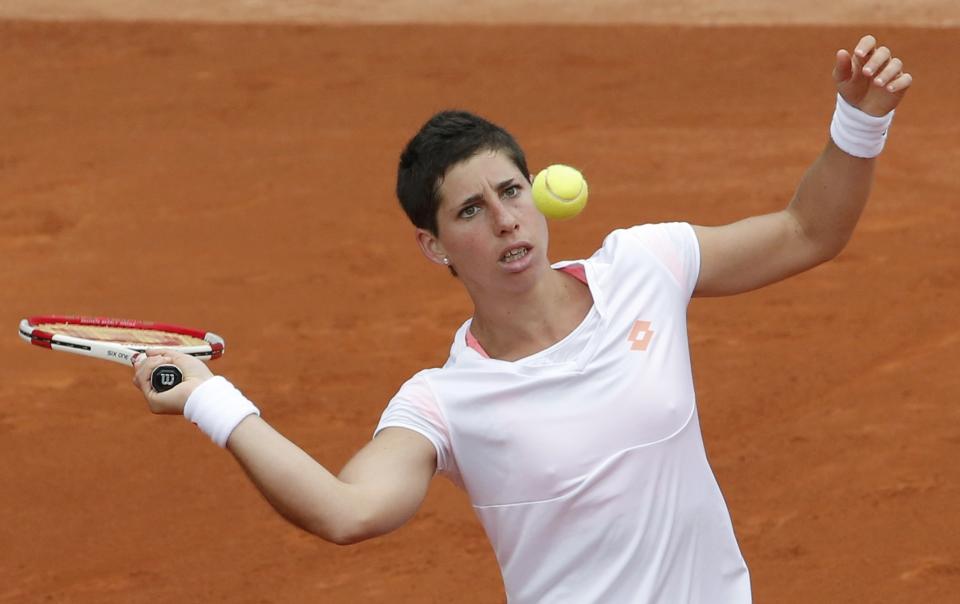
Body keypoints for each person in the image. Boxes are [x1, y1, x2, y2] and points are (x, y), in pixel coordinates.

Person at [133, 35, 911, 603]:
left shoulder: (645, 267)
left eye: (512, 191)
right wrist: (208, 399)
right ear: (433, 247)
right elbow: (346, 512)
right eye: (471, 210)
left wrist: (858, 123)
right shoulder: (443, 402)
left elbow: (808, 231)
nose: (505, 220)